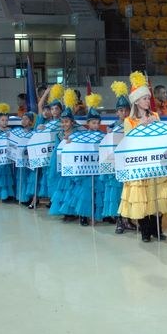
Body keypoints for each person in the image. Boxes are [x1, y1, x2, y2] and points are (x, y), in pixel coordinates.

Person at [118, 71, 167, 242]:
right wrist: (141, 126)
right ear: (136, 100)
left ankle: (157, 229)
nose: (147, 101)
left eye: (147, 98)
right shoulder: (129, 121)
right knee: (142, 197)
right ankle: (145, 230)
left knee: (156, 195)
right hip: (139, 164)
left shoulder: (155, 116)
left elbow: (161, 136)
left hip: (155, 163)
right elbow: (129, 142)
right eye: (143, 98)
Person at [103, 81, 136, 234]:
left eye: (125, 110)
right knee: (117, 193)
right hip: (116, 165)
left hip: (128, 163)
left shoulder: (133, 124)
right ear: (117, 112)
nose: (123, 113)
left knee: (128, 192)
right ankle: (119, 221)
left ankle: (128, 219)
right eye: (120, 111)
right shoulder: (112, 127)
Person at [70, 95, 104, 226]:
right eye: (93, 123)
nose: (96, 125)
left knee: (97, 191)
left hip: (97, 168)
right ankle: (84, 215)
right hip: (86, 168)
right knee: (85, 192)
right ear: (88, 123)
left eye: (97, 123)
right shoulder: (81, 136)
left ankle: (96, 214)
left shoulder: (103, 136)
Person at [48, 90, 83, 220]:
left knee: (73, 188)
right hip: (63, 164)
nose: (64, 124)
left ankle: (74, 211)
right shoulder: (59, 135)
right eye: (62, 122)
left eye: (67, 122)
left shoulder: (78, 133)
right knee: (64, 188)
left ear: (72, 123)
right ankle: (66, 212)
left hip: (74, 166)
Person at [0, 104, 16, 203]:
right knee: (1, 176)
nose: (4, 122)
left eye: (6, 120)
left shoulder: (10, 131)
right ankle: (3, 195)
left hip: (8, 158)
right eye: (2, 120)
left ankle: (9, 194)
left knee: (8, 176)